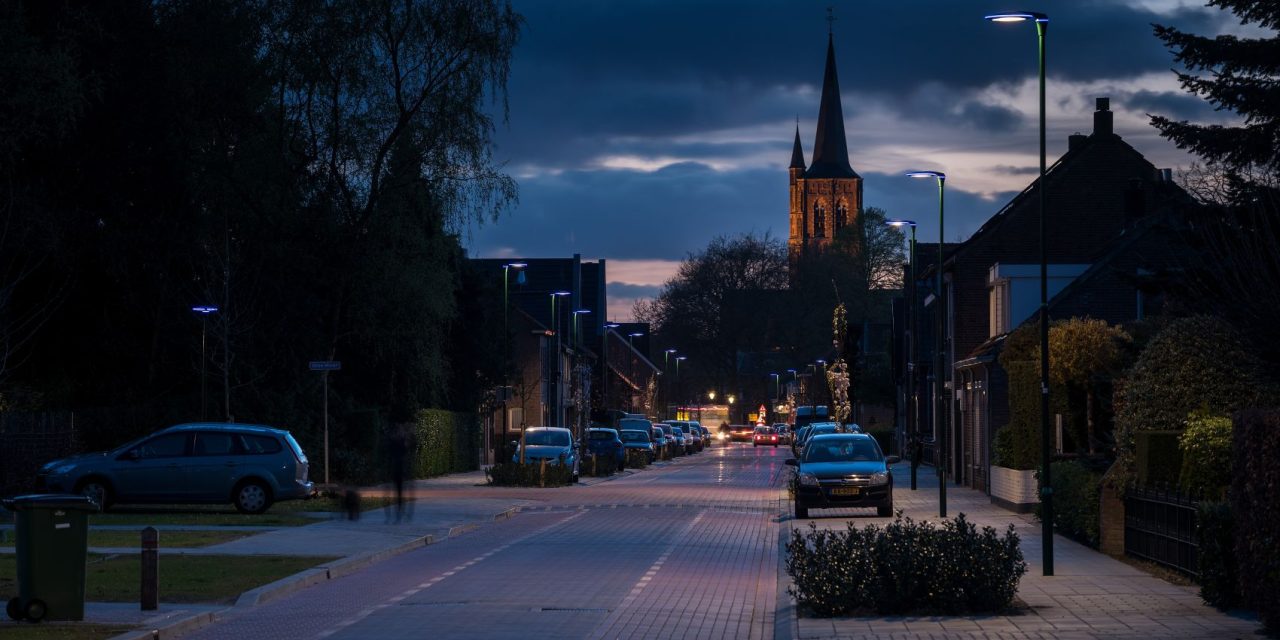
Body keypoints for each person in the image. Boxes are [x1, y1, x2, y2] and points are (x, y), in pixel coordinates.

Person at [386, 423, 415, 523]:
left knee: (399, 493)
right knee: (398, 493)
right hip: (398, 469)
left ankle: (398, 514)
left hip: (399, 469)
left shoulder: (397, 441)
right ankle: (398, 514)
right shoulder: (400, 441)